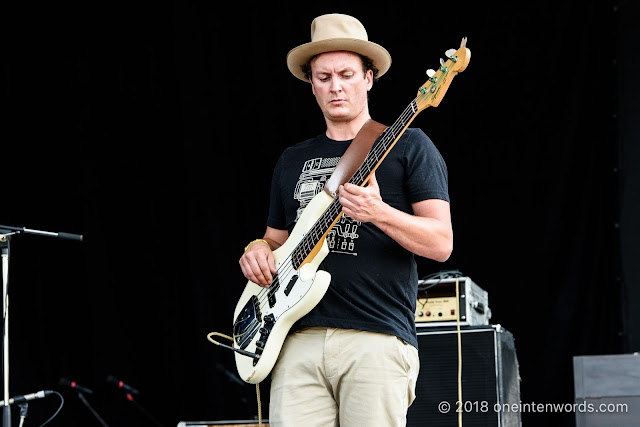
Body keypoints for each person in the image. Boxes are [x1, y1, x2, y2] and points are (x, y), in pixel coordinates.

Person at [238, 13, 453, 427]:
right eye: (323, 77)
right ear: (311, 84)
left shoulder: (409, 145)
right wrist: (255, 251)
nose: (335, 86)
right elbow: (273, 239)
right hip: (295, 339)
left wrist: (379, 213)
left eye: (346, 74)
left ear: (369, 78)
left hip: (375, 337)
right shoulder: (291, 159)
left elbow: (441, 242)